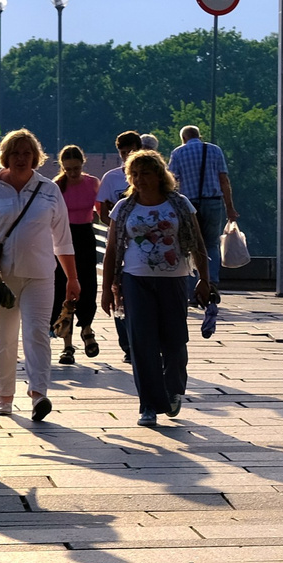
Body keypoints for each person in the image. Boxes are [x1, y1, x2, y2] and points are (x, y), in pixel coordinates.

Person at [0, 130, 77, 420]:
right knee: (3, 338)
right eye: (15, 153)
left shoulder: (48, 189)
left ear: (35, 157)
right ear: (6, 156)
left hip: (39, 275)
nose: (21, 158)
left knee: (37, 333)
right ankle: (5, 395)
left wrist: (72, 278)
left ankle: (38, 393)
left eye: (26, 153)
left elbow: (62, 239)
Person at [102, 150, 211, 428]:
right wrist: (106, 289)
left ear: (160, 175)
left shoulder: (180, 204)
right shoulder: (124, 207)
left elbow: (197, 242)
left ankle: (173, 390)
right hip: (135, 279)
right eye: (134, 174)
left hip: (174, 279)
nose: (139, 179)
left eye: (146, 173)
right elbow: (112, 249)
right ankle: (148, 404)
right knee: (142, 343)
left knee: (175, 340)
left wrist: (205, 279)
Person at [166, 125, 236, 335]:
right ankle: (210, 283)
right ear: (199, 136)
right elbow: (224, 180)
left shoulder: (178, 152)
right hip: (212, 202)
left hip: (188, 204)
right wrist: (230, 207)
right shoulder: (214, 150)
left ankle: (191, 291)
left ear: (183, 138)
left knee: (189, 247)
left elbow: (171, 181)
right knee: (211, 243)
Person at [53, 144, 102, 363]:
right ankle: (67, 344)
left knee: (88, 285)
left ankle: (87, 328)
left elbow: (101, 212)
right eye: (68, 169)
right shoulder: (57, 186)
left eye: (76, 168)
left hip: (85, 236)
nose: (72, 173)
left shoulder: (92, 183)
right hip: (63, 238)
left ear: (83, 164)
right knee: (65, 287)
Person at [96, 131, 142, 356]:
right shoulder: (112, 178)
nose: (127, 157)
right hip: (120, 242)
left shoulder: (152, 176)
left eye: (131, 152)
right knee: (118, 291)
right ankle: (127, 345)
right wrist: (118, 226)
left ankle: (144, 342)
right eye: (123, 153)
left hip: (145, 245)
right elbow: (102, 212)